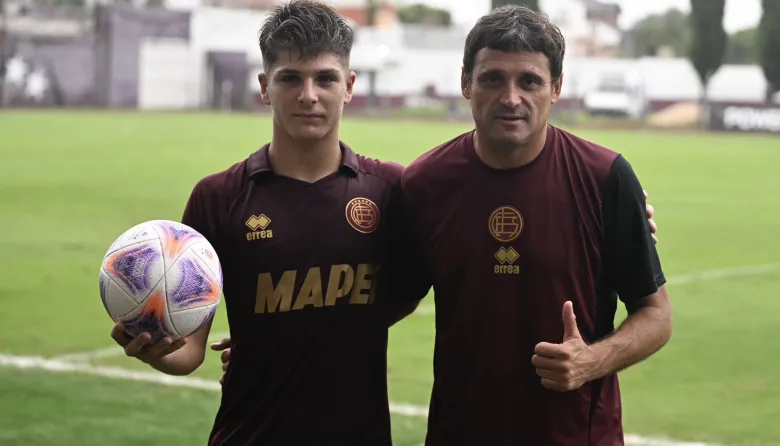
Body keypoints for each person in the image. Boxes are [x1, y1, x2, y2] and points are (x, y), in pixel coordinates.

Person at [108, 1, 420, 444]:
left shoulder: (389, 191)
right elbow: (190, 352)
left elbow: (409, 291)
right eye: (290, 78)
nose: (308, 95)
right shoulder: (218, 197)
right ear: (264, 87)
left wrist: (319, 334)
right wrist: (155, 351)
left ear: (349, 86)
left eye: (325, 79)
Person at [398, 5, 673, 445]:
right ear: (466, 82)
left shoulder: (605, 178)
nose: (511, 98)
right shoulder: (425, 184)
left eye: (529, 81)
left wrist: (590, 361)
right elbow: (387, 299)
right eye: (493, 79)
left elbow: (657, 314)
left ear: (556, 88)